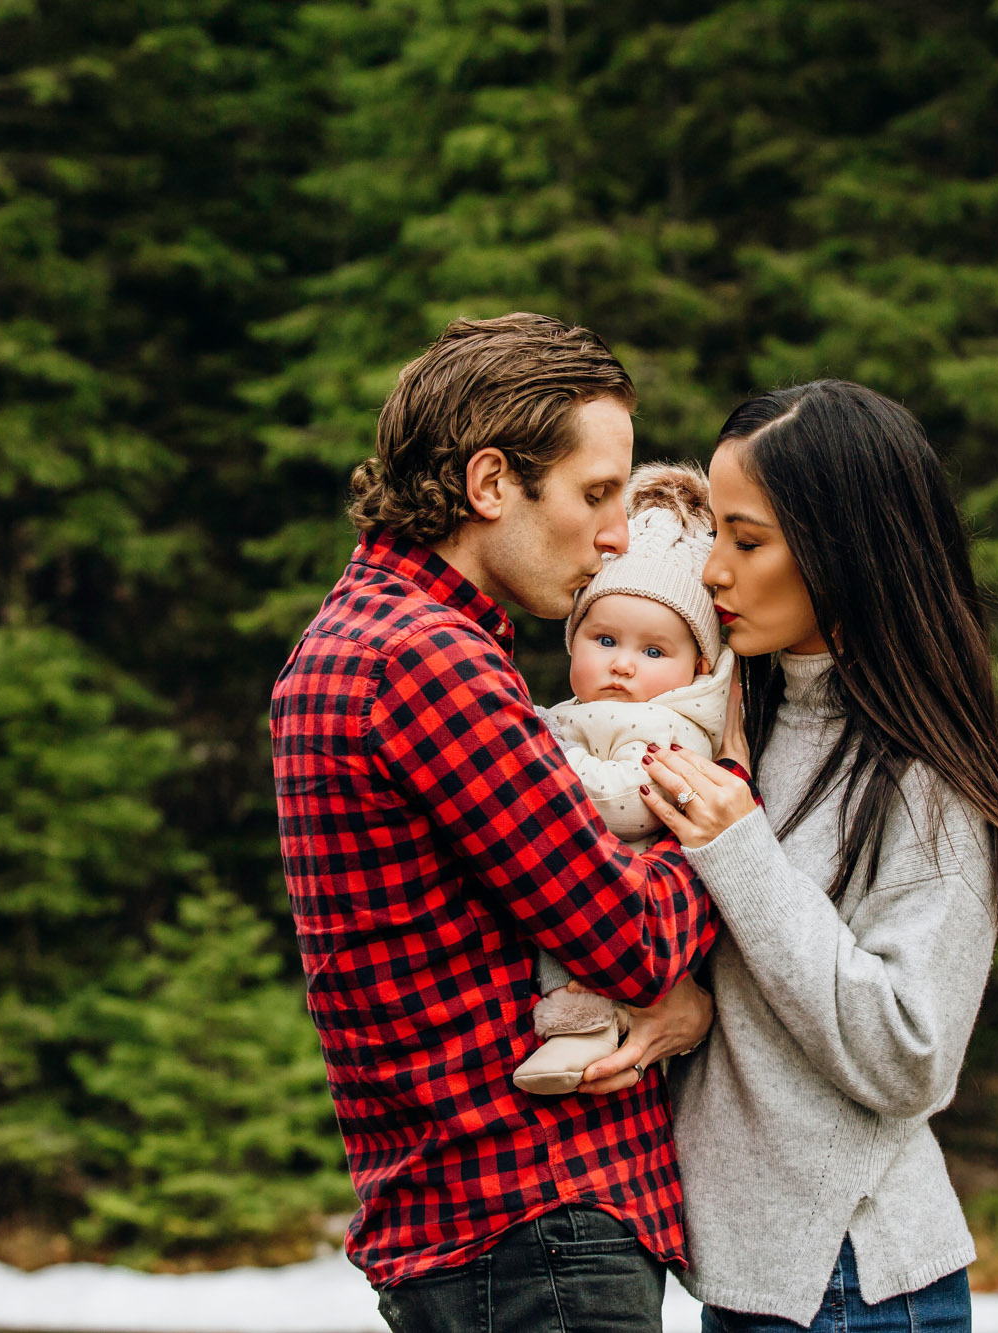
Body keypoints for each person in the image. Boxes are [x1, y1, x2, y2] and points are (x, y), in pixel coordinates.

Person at [270, 313, 718, 1333]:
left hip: (477, 1231)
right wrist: (725, 832)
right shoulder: (427, 660)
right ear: (487, 486)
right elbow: (630, 937)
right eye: (595, 493)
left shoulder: (354, 637)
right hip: (536, 1224)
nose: (616, 534)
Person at [638, 380, 998, 1332]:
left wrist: (740, 851)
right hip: (753, 1279)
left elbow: (912, 1050)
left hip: (852, 1281)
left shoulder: (925, 773)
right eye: (715, 540)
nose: (714, 574)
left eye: (748, 540)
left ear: (843, 548)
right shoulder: (743, 717)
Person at [516, 462, 737, 1094]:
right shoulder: (583, 712)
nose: (622, 665)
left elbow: (631, 803)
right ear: (572, 639)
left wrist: (542, 758)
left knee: (582, 966)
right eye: (604, 638)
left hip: (627, 897)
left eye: (653, 651)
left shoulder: (672, 727)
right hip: (582, 900)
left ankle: (585, 1038)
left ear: (696, 665)